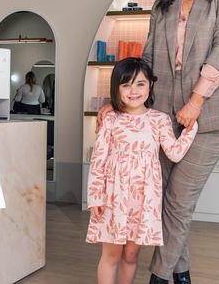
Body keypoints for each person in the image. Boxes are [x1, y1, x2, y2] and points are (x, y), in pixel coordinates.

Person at [96, 0, 219, 284]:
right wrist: (114, 103)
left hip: (207, 117)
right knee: (162, 202)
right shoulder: (163, 5)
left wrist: (196, 101)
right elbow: (146, 61)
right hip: (161, 118)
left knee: (179, 202)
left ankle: (158, 278)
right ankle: (182, 276)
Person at [87, 58, 197, 284]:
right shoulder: (111, 120)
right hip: (113, 198)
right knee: (112, 254)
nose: (133, 91)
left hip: (144, 199)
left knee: (130, 254)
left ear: (150, 85)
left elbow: (174, 153)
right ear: (116, 88)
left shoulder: (159, 120)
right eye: (126, 85)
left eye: (140, 84)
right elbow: (98, 161)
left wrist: (191, 128)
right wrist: (95, 197)